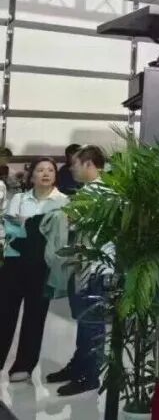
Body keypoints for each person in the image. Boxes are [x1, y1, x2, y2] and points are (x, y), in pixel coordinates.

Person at [47, 146, 110, 395]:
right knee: (84, 321)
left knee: (91, 323)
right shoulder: (89, 191)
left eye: (75, 164)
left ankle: (89, 375)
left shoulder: (103, 192)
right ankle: (79, 365)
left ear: (88, 164)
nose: (71, 169)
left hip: (96, 268)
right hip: (84, 265)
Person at [0, 158, 69, 383]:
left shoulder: (63, 201)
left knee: (35, 316)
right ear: (31, 176)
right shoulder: (19, 199)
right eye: (40, 170)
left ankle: (24, 365)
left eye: (50, 170)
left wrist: (28, 223)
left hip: (43, 265)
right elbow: (9, 229)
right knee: (4, 313)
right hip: (14, 262)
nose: (45, 174)